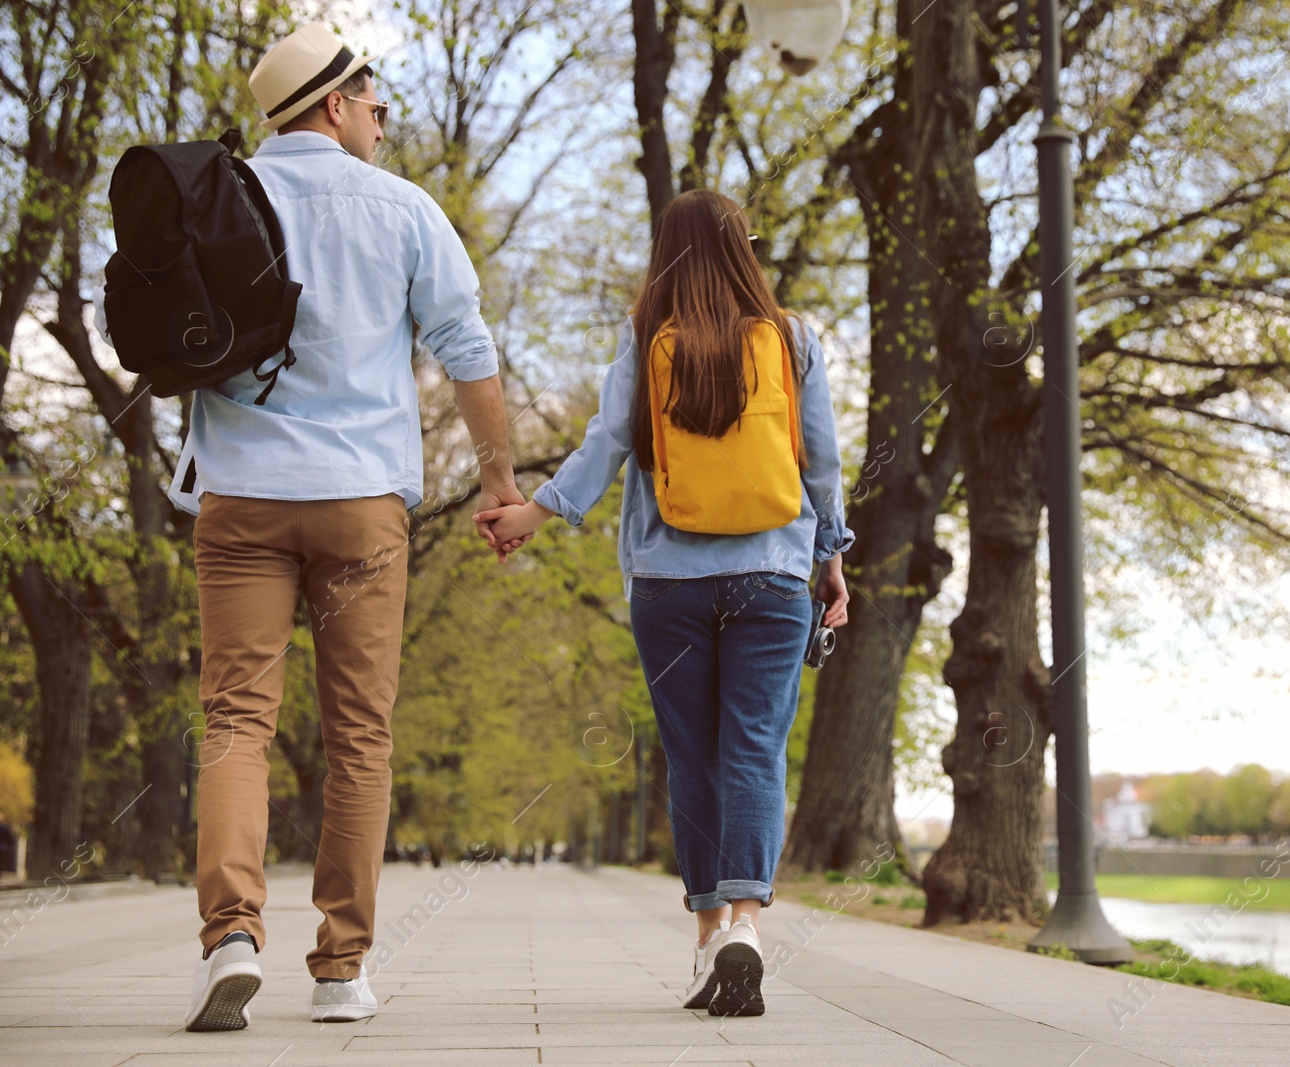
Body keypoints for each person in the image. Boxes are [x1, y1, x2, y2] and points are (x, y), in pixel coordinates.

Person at [121, 23, 523, 1032]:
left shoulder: (221, 198)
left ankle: (231, 936)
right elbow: (468, 352)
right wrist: (498, 480)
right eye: (379, 108)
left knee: (235, 719)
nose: (384, 128)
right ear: (338, 104)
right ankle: (339, 968)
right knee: (359, 736)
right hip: (359, 507)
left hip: (241, 497)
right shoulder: (401, 211)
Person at [475, 189, 853, 1018]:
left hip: (669, 583)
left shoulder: (651, 333)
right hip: (775, 578)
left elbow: (607, 439)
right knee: (754, 748)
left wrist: (532, 515)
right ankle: (747, 923)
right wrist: (829, 559)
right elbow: (820, 465)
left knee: (692, 756)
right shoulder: (793, 338)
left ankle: (709, 934)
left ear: (666, 256)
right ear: (745, 251)